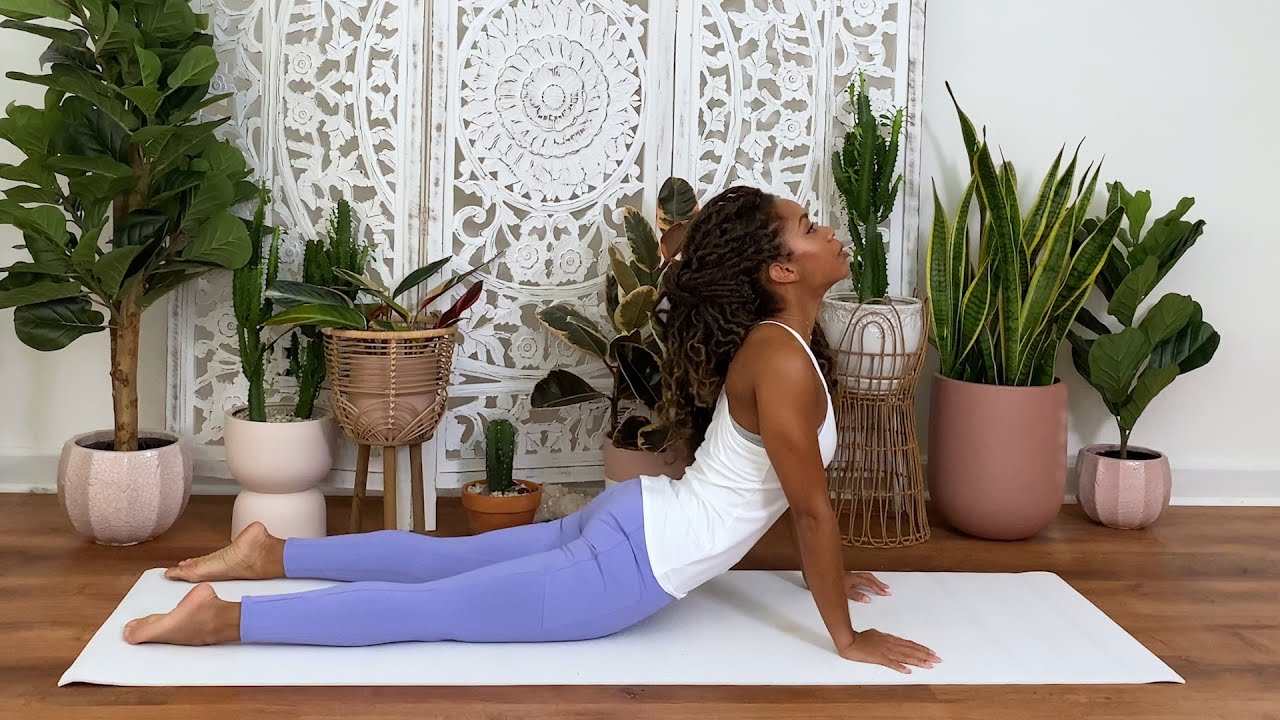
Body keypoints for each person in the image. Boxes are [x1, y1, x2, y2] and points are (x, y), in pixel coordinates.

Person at [123, 186, 940, 674]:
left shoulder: (786, 346)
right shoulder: (786, 359)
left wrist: (826, 577)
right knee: (432, 607)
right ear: (782, 270)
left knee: (442, 569)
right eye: (811, 226)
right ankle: (224, 619)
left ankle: (271, 556)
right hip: (626, 566)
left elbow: (769, 494)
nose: (830, 231)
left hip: (634, 522)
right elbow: (810, 510)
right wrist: (847, 637)